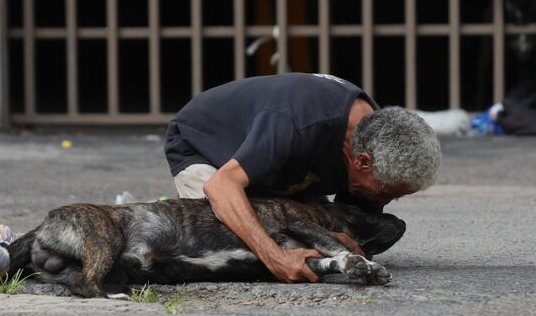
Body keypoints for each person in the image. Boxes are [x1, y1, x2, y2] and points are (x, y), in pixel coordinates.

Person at [164, 72, 441, 283]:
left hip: (282, 163)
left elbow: (354, 215)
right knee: (235, 243)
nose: (388, 201)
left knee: (300, 232)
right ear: (362, 161)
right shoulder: (295, 125)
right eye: (386, 192)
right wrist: (274, 257)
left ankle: (270, 201)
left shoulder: (375, 135)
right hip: (207, 150)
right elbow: (222, 185)